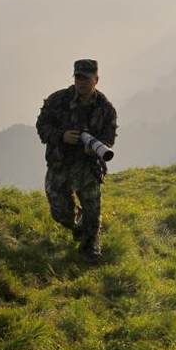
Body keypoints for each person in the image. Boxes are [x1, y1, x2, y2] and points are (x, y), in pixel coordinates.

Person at [35, 59, 117, 263]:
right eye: (78, 77)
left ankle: (90, 247)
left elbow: (109, 139)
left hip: (88, 167)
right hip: (60, 163)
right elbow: (41, 126)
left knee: (93, 209)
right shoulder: (58, 100)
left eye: (86, 78)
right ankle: (77, 222)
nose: (81, 82)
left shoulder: (106, 109)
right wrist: (61, 136)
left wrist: (94, 146)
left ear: (96, 80)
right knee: (60, 213)